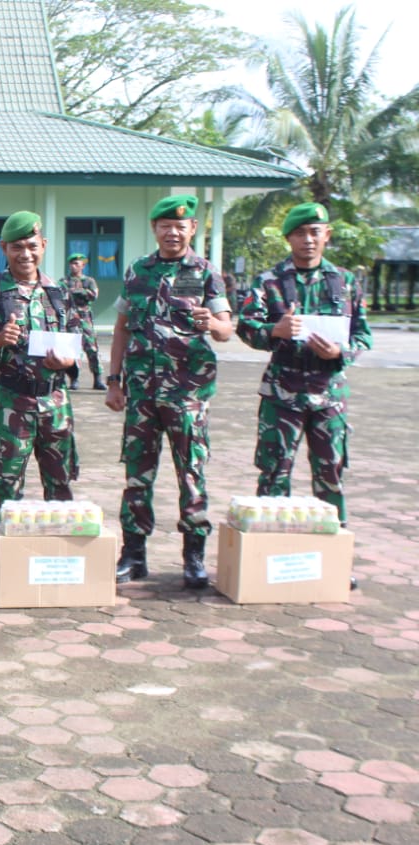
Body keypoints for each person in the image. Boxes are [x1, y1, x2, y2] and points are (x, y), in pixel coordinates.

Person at [105, 194, 232, 589]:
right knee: (137, 475)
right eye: (165, 225)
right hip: (142, 393)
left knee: (191, 473)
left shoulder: (207, 272)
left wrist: (211, 321)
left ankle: (193, 556)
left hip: (188, 393)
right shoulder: (138, 271)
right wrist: (113, 380)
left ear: (192, 228)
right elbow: (122, 327)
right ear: (155, 229)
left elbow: (227, 330)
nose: (173, 232)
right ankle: (133, 553)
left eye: (181, 225)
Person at [237, 202, 372, 528]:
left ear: (327, 235)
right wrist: (274, 331)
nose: (308, 240)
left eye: (314, 232)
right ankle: (266, 550)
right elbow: (245, 326)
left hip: (329, 395)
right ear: (289, 239)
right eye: (299, 233)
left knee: (330, 474)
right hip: (282, 394)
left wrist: (340, 352)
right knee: (274, 474)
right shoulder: (269, 281)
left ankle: (332, 552)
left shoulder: (346, 282)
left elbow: (363, 336)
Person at [0, 212, 77, 531]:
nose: (25, 254)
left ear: (43, 245)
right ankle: (1, 562)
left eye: (32, 246)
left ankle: (57, 563)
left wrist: (69, 361)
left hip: (55, 404)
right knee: (5, 486)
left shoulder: (59, 293)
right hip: (12, 404)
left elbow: (77, 340)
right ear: (4, 248)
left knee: (61, 485)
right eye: (17, 247)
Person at [61, 252, 106, 391]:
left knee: (92, 348)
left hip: (85, 317)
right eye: (72, 263)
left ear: (83, 265)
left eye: (77, 263)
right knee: (73, 349)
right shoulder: (64, 281)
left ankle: (98, 379)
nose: (74, 266)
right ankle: (74, 379)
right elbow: (60, 296)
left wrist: (80, 291)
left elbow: (94, 296)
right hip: (71, 317)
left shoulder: (89, 281)